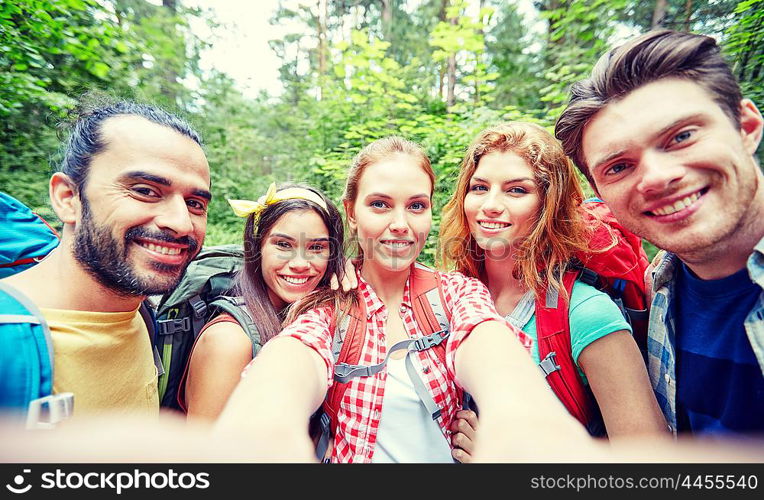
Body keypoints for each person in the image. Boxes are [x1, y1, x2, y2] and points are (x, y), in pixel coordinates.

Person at [213, 136, 590, 462]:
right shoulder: (327, 304)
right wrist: (263, 421)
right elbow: (296, 354)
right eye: (379, 204)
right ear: (352, 212)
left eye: (416, 206)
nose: (400, 224)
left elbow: (488, 344)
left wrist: (522, 416)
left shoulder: (459, 292)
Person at [555, 29, 764, 436]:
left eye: (681, 137)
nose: (656, 178)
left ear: (747, 126)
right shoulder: (660, 288)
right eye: (618, 166)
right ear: (599, 195)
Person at [439, 122, 666, 439]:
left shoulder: (586, 313)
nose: (490, 205)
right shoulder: (450, 295)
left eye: (517, 190)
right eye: (479, 188)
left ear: (550, 205)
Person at [0, 100, 211, 419]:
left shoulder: (140, 312)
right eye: (145, 190)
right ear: (68, 198)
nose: (181, 223)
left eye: (195, 203)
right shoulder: (9, 340)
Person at [181, 183, 345, 421]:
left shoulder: (309, 315)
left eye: (317, 247)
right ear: (257, 247)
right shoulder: (229, 341)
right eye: (283, 245)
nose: (300, 263)